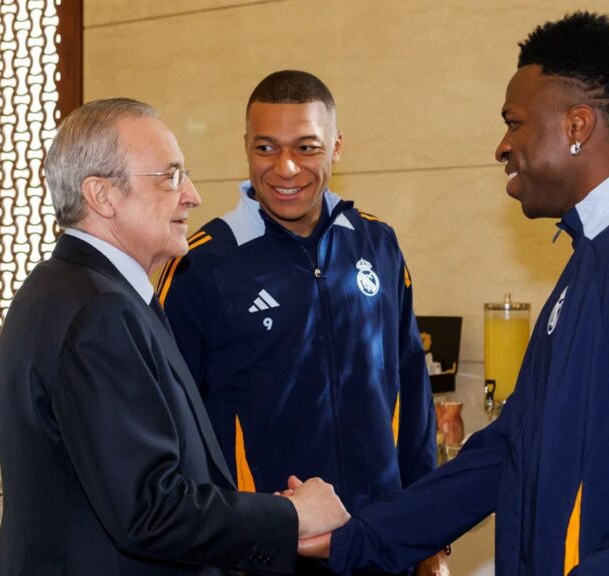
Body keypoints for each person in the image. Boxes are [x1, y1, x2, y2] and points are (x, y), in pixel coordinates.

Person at [301, 12, 609, 576]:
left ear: (577, 125)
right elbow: (507, 451)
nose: (502, 146)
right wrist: (356, 539)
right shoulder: (595, 256)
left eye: (514, 122)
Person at [0, 98, 349, 576]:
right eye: (170, 176)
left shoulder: (73, 289)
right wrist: (291, 516)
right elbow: (149, 510)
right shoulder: (99, 311)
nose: (192, 195)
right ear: (102, 195)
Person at [155, 70, 443, 575]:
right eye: (266, 148)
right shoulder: (200, 264)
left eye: (306, 148)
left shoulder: (378, 244)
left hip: (379, 542)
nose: (286, 168)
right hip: (263, 552)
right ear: (246, 148)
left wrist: (428, 536)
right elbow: (173, 427)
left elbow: (413, 395)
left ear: (336, 147)